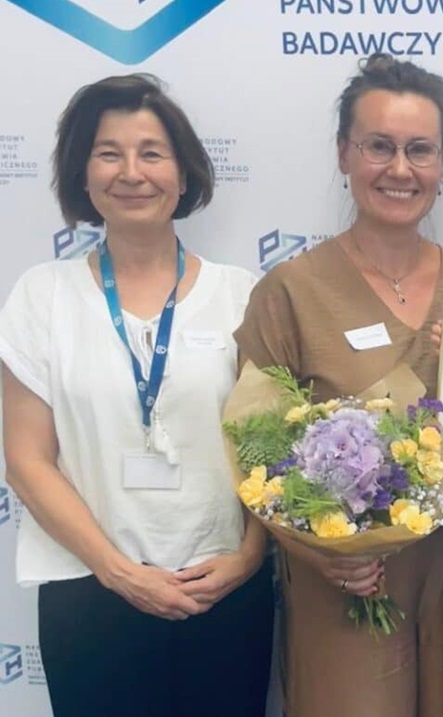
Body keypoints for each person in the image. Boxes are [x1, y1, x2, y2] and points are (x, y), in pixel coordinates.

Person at [234, 53, 443, 717]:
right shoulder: (290, 292)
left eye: (420, 149)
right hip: (345, 586)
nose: (400, 169)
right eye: (379, 146)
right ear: (343, 154)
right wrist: (320, 553)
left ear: (442, 164)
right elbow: (251, 454)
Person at [0, 75, 273, 717]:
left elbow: (274, 452)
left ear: (183, 172)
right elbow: (27, 460)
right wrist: (119, 573)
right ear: (83, 172)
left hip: (221, 588)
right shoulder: (43, 295)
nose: (131, 172)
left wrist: (248, 556)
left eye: (151, 153)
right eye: (108, 153)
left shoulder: (242, 295)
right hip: (89, 591)